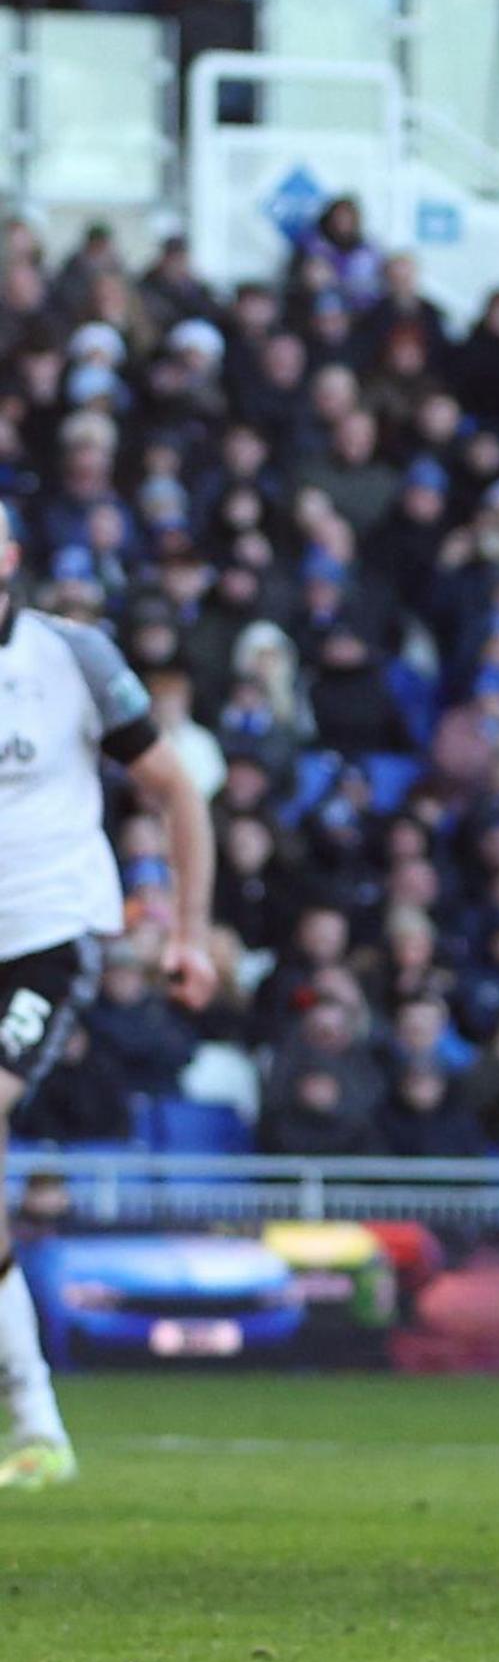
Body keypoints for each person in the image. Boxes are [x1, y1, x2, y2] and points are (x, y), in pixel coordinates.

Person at [0, 500, 222, 1495]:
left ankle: (37, 1419)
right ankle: (38, 1423)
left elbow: (176, 789)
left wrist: (188, 933)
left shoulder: (72, 656)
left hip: (42, 939)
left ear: (11, 555)